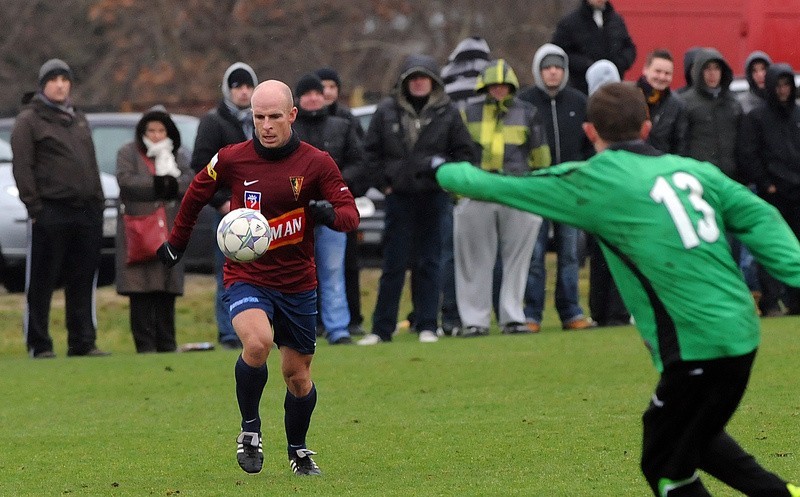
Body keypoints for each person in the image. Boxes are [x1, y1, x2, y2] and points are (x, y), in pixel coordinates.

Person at [435, 82, 800, 497]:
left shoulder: (596, 181)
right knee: (692, 438)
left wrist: (440, 170)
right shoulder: (695, 171)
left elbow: (503, 187)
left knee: (665, 467)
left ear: (590, 133)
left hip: (697, 344)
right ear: (646, 128)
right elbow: (761, 217)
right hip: (740, 332)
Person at [158, 80, 359, 476]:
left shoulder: (316, 163)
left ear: (292, 116)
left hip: (298, 283)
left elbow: (349, 215)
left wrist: (326, 214)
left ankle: (299, 451)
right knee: (257, 343)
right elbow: (197, 191)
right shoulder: (232, 158)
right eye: (259, 117)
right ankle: (250, 430)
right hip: (246, 276)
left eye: (274, 117)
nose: (266, 126)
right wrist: (176, 243)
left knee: (297, 377)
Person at [356, 54, 475, 345]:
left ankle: (427, 325)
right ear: (405, 82)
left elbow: (465, 153)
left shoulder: (448, 112)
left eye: (424, 78)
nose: (419, 82)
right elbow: (369, 154)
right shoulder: (386, 111)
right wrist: (384, 184)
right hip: (399, 198)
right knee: (393, 265)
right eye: (413, 78)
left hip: (434, 198)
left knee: (430, 263)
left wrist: (443, 175)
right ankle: (381, 330)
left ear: (433, 82)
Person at [10, 58, 109, 358]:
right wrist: (35, 208)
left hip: (85, 211)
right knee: (42, 281)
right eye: (54, 79)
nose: (61, 84)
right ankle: (39, 343)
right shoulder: (29, 120)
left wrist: (98, 202)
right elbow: (22, 167)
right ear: (43, 85)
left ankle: (82, 341)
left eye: (65, 79)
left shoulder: (78, 118)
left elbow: (90, 163)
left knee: (81, 280)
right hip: (50, 211)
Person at [452, 59, 550, 337]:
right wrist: (460, 193)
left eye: (503, 85)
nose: (498, 90)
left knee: (519, 260)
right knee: (473, 260)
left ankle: (513, 317)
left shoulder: (528, 113)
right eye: (493, 85)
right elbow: (457, 153)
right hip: (477, 192)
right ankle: (475, 321)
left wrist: (537, 193)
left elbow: (540, 156)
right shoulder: (467, 113)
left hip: (517, 191)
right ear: (485, 86)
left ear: (512, 86)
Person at [518, 43, 595, 333]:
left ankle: (571, 311)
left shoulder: (579, 102)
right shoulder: (524, 102)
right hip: (537, 190)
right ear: (539, 70)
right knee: (534, 255)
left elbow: (590, 146)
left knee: (571, 254)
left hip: (570, 189)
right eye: (547, 67)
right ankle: (531, 313)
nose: (553, 72)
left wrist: (582, 175)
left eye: (558, 67)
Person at [292, 73, 365, 345]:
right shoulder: (289, 130)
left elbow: (359, 163)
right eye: (307, 93)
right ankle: (299, 330)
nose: (313, 98)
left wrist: (334, 187)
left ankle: (338, 329)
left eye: (317, 93)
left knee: (333, 272)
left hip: (332, 212)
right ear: (298, 99)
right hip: (297, 214)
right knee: (296, 275)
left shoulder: (341, 126)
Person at [191, 62, 258, 350]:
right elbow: (201, 167)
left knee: (264, 274)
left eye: (247, 86)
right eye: (237, 87)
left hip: (260, 211)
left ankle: (260, 328)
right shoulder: (213, 122)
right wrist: (221, 202)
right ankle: (229, 331)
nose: (243, 92)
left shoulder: (261, 119)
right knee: (228, 273)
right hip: (228, 213)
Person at [115, 107, 193, 353]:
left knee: (166, 290)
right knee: (140, 291)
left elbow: (189, 181)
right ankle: (144, 346)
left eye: (162, 130)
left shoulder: (178, 154)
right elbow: (126, 181)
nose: (157, 135)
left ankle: (167, 343)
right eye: (152, 130)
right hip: (138, 231)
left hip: (169, 230)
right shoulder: (127, 152)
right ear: (143, 131)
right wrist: (162, 184)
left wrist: (168, 186)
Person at [438, 36, 492, 335]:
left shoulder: (447, 92)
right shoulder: (473, 103)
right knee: (469, 255)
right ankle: (457, 314)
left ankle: (455, 315)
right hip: (472, 186)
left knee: (452, 254)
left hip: (455, 185)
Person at [738, 63, 800, 316]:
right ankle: (771, 301)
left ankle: (796, 301)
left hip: (797, 193)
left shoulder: (798, 115)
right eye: (779, 85)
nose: (783, 90)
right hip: (772, 194)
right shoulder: (757, 117)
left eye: (787, 84)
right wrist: (766, 184)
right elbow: (749, 153)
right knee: (771, 249)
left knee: (796, 248)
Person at [314, 66, 367, 336]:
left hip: (340, 204)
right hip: (310, 207)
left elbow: (360, 160)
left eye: (332, 87)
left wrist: (339, 187)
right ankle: (317, 322)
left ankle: (349, 320)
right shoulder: (298, 124)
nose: (326, 93)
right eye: (321, 88)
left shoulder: (347, 120)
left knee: (345, 265)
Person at [584, 60, 630, 327]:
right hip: (596, 188)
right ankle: (599, 310)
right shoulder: (587, 113)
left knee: (619, 251)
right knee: (599, 254)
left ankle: (618, 310)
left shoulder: (625, 114)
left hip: (618, 188)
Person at [681, 48, 742, 181]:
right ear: (698, 71)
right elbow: (681, 143)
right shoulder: (685, 102)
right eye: (707, 68)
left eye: (716, 68)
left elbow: (742, 143)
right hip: (699, 176)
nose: (712, 74)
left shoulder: (733, 102)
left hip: (730, 177)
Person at [551, 0, 636, 95]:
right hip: (581, 89)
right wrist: (587, 65)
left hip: (614, 90)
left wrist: (620, 63)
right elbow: (559, 53)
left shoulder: (616, 20)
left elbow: (629, 47)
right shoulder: (570, 22)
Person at [635, 49, 688, 155]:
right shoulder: (630, 96)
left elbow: (680, 145)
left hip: (661, 167)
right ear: (645, 69)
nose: (662, 77)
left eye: (667, 73)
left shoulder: (677, 105)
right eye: (658, 71)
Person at [737, 51, 772, 115]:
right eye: (754, 71)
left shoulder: (780, 100)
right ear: (750, 75)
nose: (760, 75)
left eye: (763, 69)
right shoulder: (741, 105)